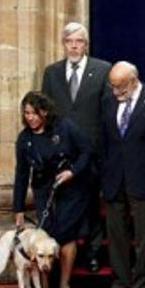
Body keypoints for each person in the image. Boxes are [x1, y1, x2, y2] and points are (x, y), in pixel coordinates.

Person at [95, 61, 145, 288]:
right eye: (112, 86)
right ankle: (121, 285)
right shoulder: (107, 100)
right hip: (114, 179)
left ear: (134, 80)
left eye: (120, 87)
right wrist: (104, 175)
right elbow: (103, 140)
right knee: (116, 236)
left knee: (144, 236)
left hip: (143, 178)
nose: (116, 92)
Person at [41, 22, 111, 272]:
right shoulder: (51, 73)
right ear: (63, 44)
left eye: (78, 41)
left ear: (86, 44)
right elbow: (46, 113)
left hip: (91, 152)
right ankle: (60, 254)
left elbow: (106, 114)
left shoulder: (102, 70)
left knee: (91, 204)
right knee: (63, 206)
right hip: (61, 153)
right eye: (69, 40)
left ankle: (92, 253)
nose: (73, 45)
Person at [13, 91, 92, 288]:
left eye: (34, 113)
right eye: (26, 113)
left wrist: (72, 172)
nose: (29, 117)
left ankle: (64, 286)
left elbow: (87, 151)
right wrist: (18, 209)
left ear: (45, 112)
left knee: (66, 235)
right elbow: (21, 174)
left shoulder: (65, 127)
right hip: (43, 191)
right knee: (46, 236)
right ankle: (44, 286)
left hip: (70, 188)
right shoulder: (24, 139)